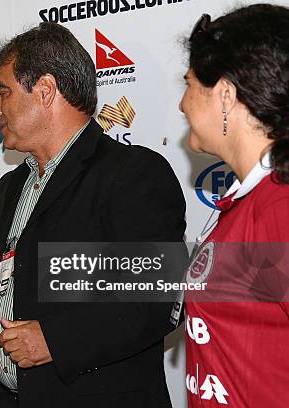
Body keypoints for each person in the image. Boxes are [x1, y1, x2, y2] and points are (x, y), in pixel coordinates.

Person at [0, 22, 186, 407]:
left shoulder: (131, 174)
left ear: (46, 91)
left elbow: (159, 297)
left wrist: (56, 340)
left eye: (3, 92)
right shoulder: (12, 187)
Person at [180, 5, 289, 407]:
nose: (182, 105)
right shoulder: (250, 200)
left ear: (225, 93)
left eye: (188, 84)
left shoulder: (279, 206)